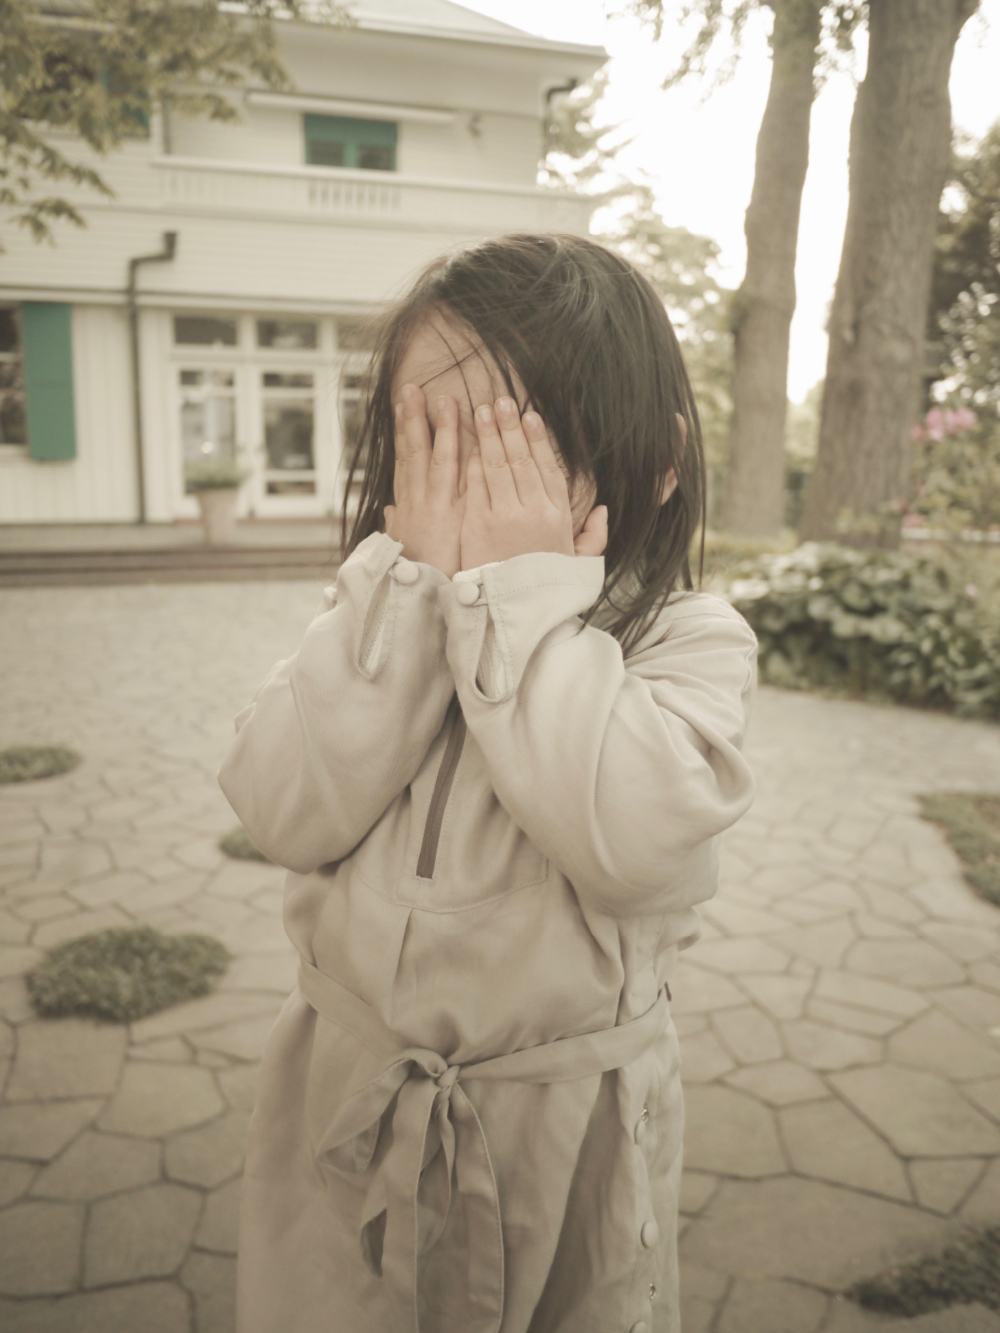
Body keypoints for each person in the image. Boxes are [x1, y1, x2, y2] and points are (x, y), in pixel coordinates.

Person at [218, 232, 758, 1333]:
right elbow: (278, 807)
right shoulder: (375, 612)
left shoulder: (687, 641)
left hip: (563, 1134)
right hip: (346, 1100)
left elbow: (635, 841)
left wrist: (520, 596)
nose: (469, 491)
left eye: (515, 448)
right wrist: (415, 601)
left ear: (654, 464)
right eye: (435, 443)